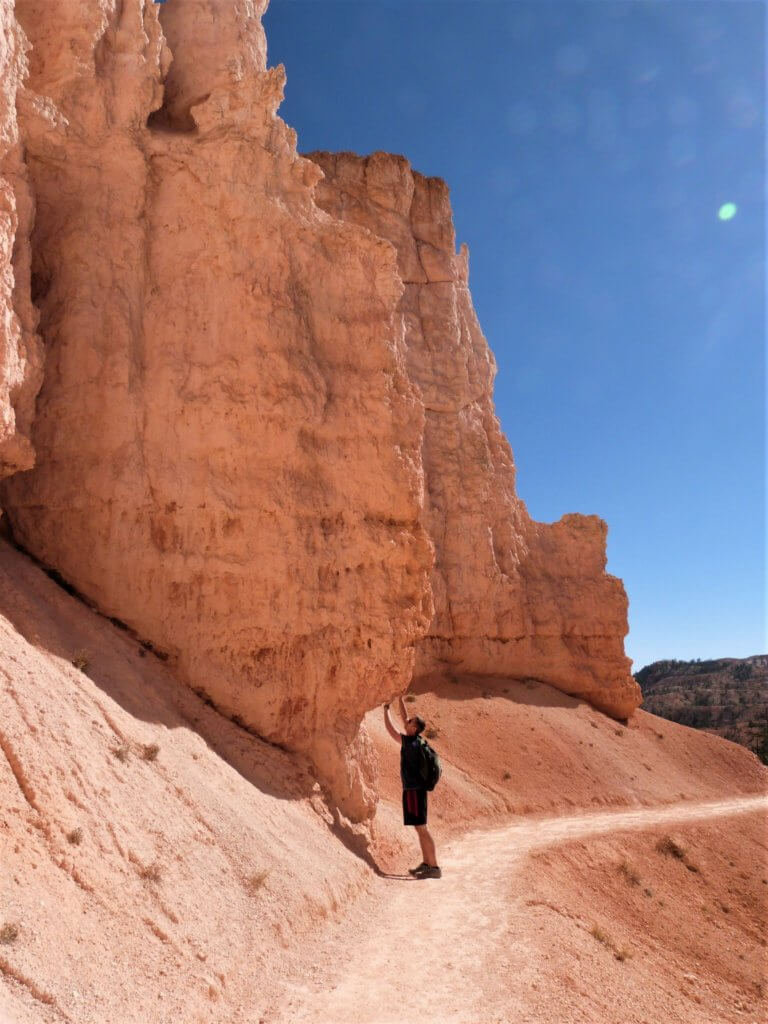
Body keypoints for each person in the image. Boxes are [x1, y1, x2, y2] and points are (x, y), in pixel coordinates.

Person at [383, 696, 441, 879]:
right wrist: (400, 699)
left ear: (414, 728)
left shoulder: (410, 744)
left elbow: (391, 731)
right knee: (419, 828)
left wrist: (385, 710)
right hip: (416, 790)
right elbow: (404, 718)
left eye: (410, 722)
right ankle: (427, 863)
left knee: (421, 827)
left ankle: (434, 867)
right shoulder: (417, 740)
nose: (406, 722)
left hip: (414, 792)